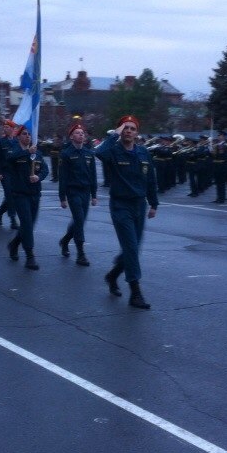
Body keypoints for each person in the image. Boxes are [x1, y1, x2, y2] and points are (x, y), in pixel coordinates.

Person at [95, 115, 159, 309]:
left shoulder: (143, 153)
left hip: (139, 206)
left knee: (133, 250)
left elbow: (150, 180)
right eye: (125, 128)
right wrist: (114, 133)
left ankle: (112, 275)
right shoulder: (113, 151)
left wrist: (154, 204)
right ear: (120, 131)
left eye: (132, 128)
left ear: (137, 133)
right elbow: (99, 153)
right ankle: (135, 293)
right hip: (121, 206)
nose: (129, 131)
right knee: (131, 249)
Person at [6, 125, 48, 270]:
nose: (28, 136)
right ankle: (30, 256)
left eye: (29, 134)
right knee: (27, 224)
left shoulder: (37, 154)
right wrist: (26, 153)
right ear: (18, 137)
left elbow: (45, 170)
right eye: (24, 134)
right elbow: (9, 159)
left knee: (28, 225)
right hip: (20, 194)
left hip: (35, 194)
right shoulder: (15, 151)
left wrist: (39, 176)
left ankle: (14, 244)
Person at [58, 122, 98, 266]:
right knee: (79, 220)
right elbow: (63, 177)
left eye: (82, 133)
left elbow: (92, 175)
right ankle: (81, 254)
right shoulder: (66, 154)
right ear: (71, 137)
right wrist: (62, 197)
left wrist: (94, 195)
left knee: (79, 221)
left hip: (85, 192)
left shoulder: (89, 153)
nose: (81, 135)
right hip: (73, 191)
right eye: (77, 133)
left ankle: (65, 241)